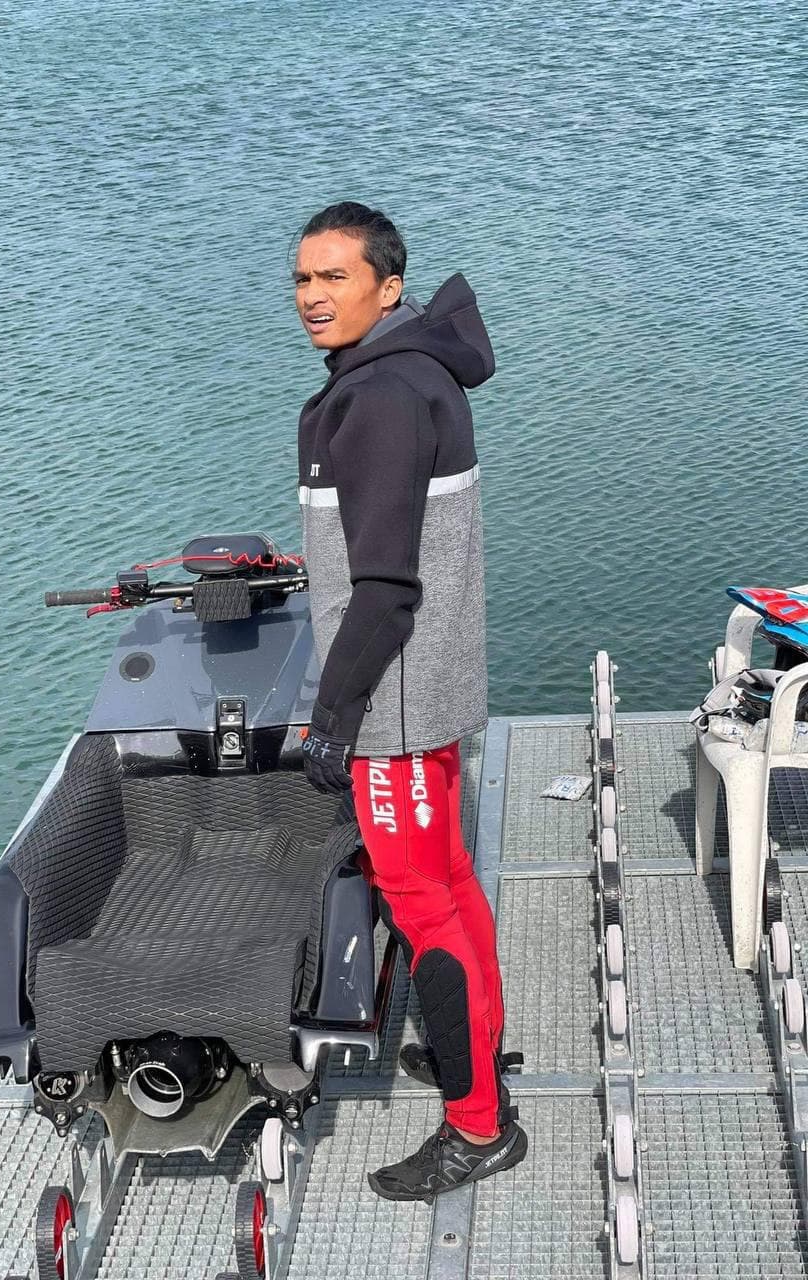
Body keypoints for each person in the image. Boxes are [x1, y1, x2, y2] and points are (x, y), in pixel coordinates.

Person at [293, 201, 528, 1202]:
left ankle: (477, 1128)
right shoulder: (417, 369)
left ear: (388, 287)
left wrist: (332, 719)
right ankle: (479, 1049)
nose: (312, 296)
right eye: (302, 278)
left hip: (391, 697)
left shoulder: (381, 396)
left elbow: (384, 585)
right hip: (429, 677)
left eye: (334, 277)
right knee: (450, 880)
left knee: (422, 903)